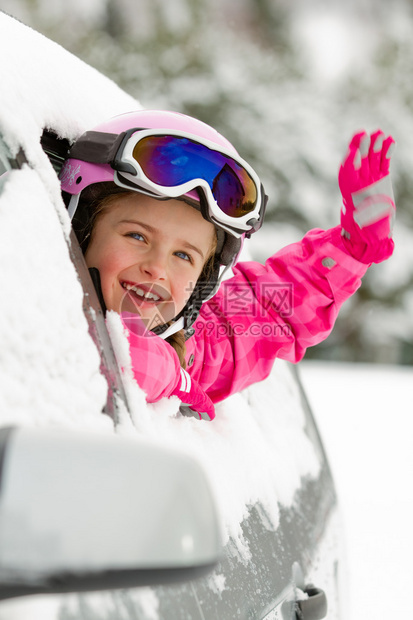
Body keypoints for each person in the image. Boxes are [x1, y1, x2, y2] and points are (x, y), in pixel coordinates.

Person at [60, 109, 396, 421]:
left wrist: (353, 248)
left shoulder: (192, 346)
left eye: (183, 256)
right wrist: (161, 371)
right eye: (137, 236)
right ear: (82, 229)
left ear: (203, 277)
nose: (157, 269)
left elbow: (270, 310)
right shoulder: (35, 291)